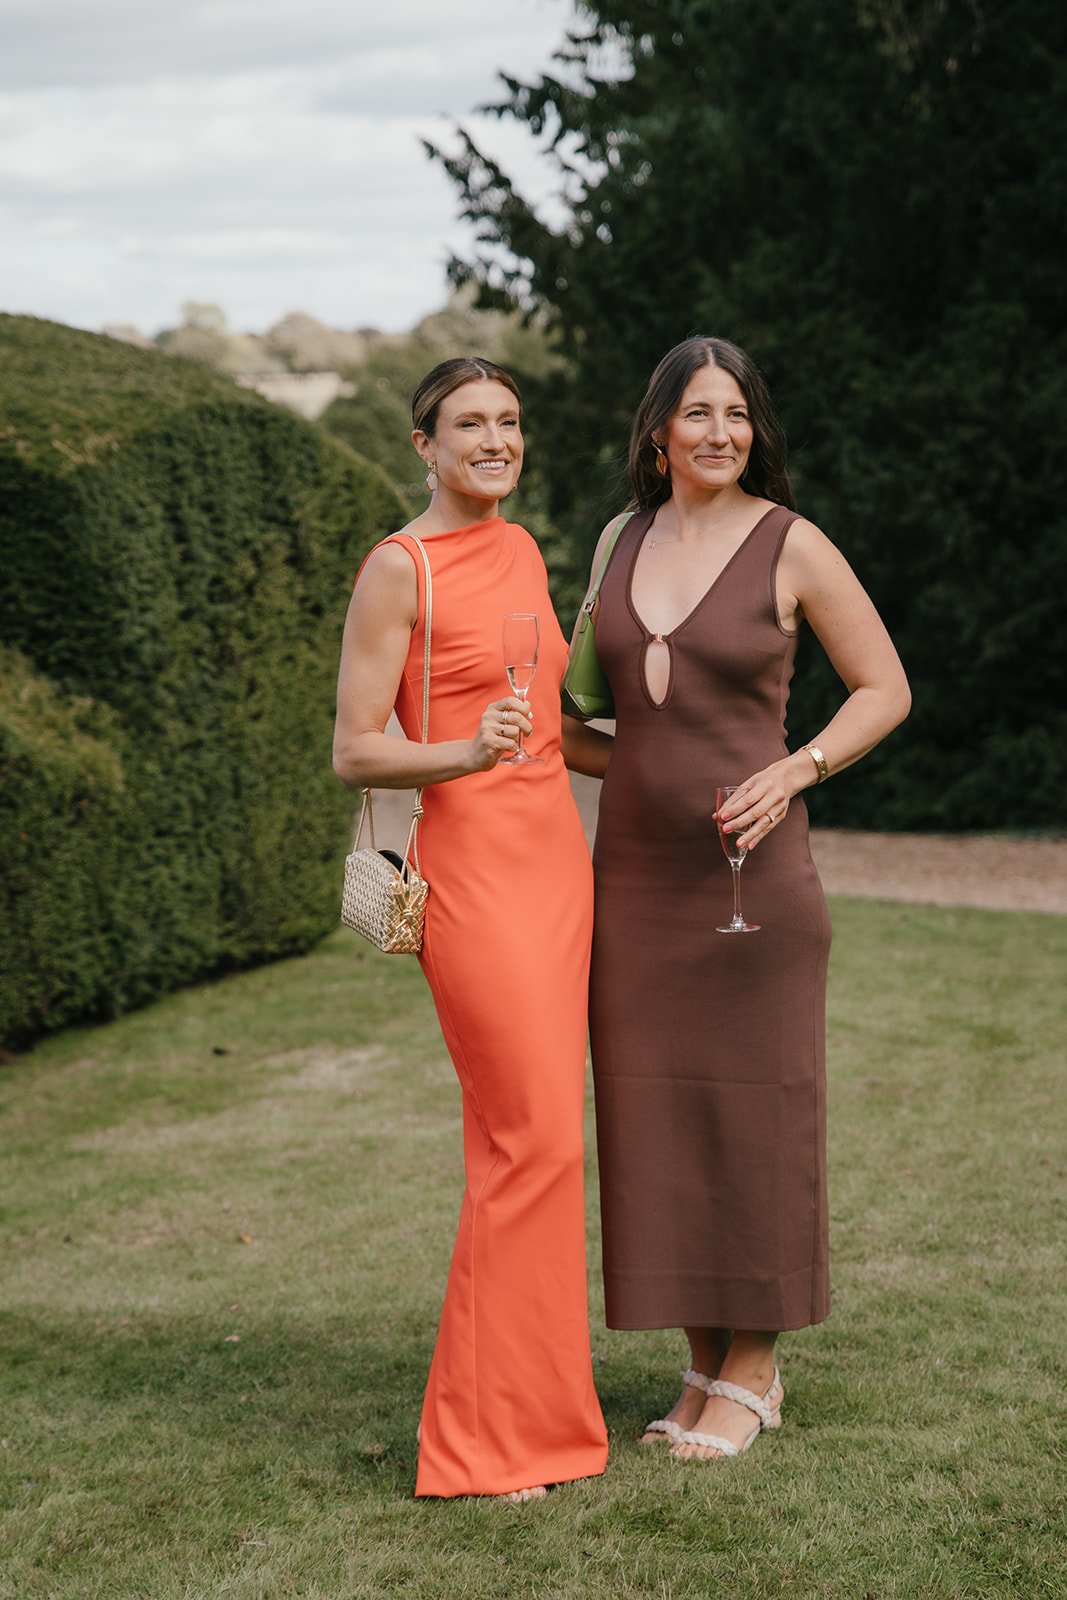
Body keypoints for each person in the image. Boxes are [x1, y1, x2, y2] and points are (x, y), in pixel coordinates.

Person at [562, 336, 910, 1462]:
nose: (719, 431)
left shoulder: (792, 543)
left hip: (749, 888)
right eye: (697, 411)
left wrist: (795, 767)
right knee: (653, 1114)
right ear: (655, 429)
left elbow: (883, 686)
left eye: (738, 412)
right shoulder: (618, 541)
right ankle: (701, 1357)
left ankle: (754, 1367)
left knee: (751, 1112)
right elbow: (581, 715)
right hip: (634, 882)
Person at [333, 357, 608, 1500]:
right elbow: (356, 747)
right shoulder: (399, 569)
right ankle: (480, 1444)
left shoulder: (527, 549)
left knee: (536, 1147)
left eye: (509, 421)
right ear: (422, 445)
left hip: (557, 868)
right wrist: (459, 749)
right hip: (474, 882)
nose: (494, 440)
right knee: (529, 1144)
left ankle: (537, 1424)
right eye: (469, 425)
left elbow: (555, 729)